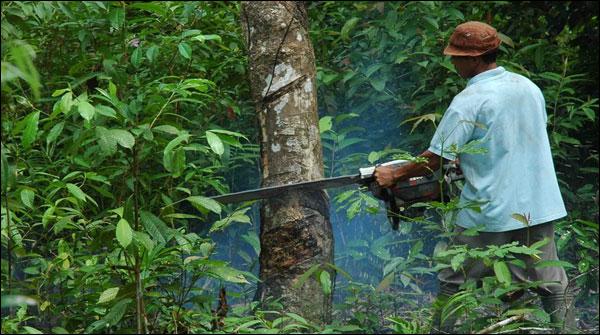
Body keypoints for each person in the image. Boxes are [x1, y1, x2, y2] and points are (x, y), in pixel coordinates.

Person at [373, 21, 575, 333]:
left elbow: (434, 159)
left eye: (456, 57)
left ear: (475, 59)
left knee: (453, 280)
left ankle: (441, 331)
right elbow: (514, 139)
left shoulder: (471, 99)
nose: (453, 62)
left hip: (489, 208)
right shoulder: (527, 87)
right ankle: (569, 330)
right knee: (550, 279)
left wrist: (394, 173)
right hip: (539, 202)